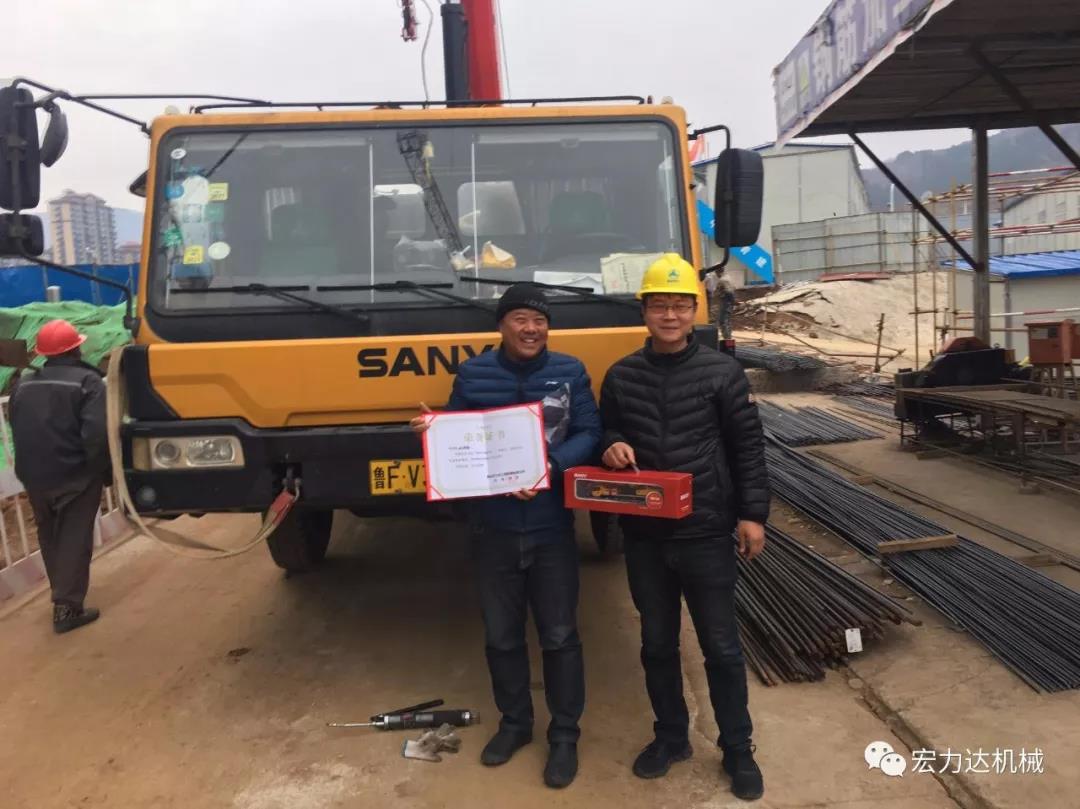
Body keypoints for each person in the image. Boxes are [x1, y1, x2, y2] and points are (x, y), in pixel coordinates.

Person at [410, 283, 601, 789]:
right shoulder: (473, 374)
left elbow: (590, 432)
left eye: (539, 321)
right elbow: (458, 432)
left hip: (551, 527)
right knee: (501, 636)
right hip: (491, 528)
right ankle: (515, 724)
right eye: (520, 319)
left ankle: (564, 735)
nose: (531, 329)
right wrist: (433, 432)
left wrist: (548, 465)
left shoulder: (570, 372)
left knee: (560, 636)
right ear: (501, 325)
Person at [597, 254, 769, 801]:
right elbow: (607, 429)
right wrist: (610, 445)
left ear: (695, 311)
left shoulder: (722, 372)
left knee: (721, 647)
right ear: (644, 311)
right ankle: (671, 737)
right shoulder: (622, 375)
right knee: (656, 643)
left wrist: (752, 515)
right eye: (659, 305)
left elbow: (747, 448)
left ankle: (737, 748)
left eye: (679, 305)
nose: (669, 316)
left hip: (705, 531)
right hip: (646, 535)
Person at [10, 319, 109, 634]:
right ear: (76, 349)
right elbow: (96, 435)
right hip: (75, 475)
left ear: (43, 353)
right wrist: (104, 472)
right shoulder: (88, 383)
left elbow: (17, 425)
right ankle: (66, 607)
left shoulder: (23, 384)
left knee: (50, 534)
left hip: (34, 475)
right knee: (74, 537)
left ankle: (62, 594)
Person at [704, 266, 737, 340]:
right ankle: (728, 337)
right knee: (727, 320)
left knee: (723, 321)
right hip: (728, 303)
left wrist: (717, 295)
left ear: (718, 272)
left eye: (716, 273)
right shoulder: (728, 277)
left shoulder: (722, 280)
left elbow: (727, 292)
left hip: (725, 302)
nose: (716, 275)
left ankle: (727, 339)